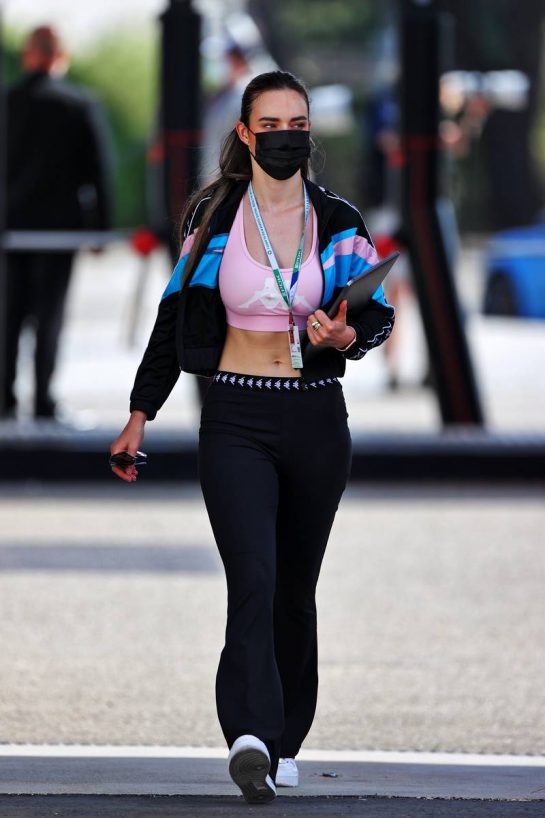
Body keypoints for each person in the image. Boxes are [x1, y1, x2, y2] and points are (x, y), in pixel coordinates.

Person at [110, 71, 395, 804]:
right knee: (254, 580)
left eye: (295, 122)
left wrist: (346, 333)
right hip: (234, 413)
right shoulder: (213, 216)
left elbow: (378, 314)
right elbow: (174, 318)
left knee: (295, 589)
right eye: (268, 124)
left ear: (309, 132)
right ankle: (249, 737)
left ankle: (285, 736)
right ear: (244, 133)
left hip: (314, 415)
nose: (284, 136)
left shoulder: (337, 220)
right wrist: (140, 411)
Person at [3, 26, 113, 421]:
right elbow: (98, 172)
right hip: (59, 229)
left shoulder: (8, 102)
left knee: (8, 313)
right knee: (49, 316)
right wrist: (100, 228)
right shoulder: (77, 103)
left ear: (28, 56)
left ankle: (5, 400)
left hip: (10, 228)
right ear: (59, 58)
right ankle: (44, 400)